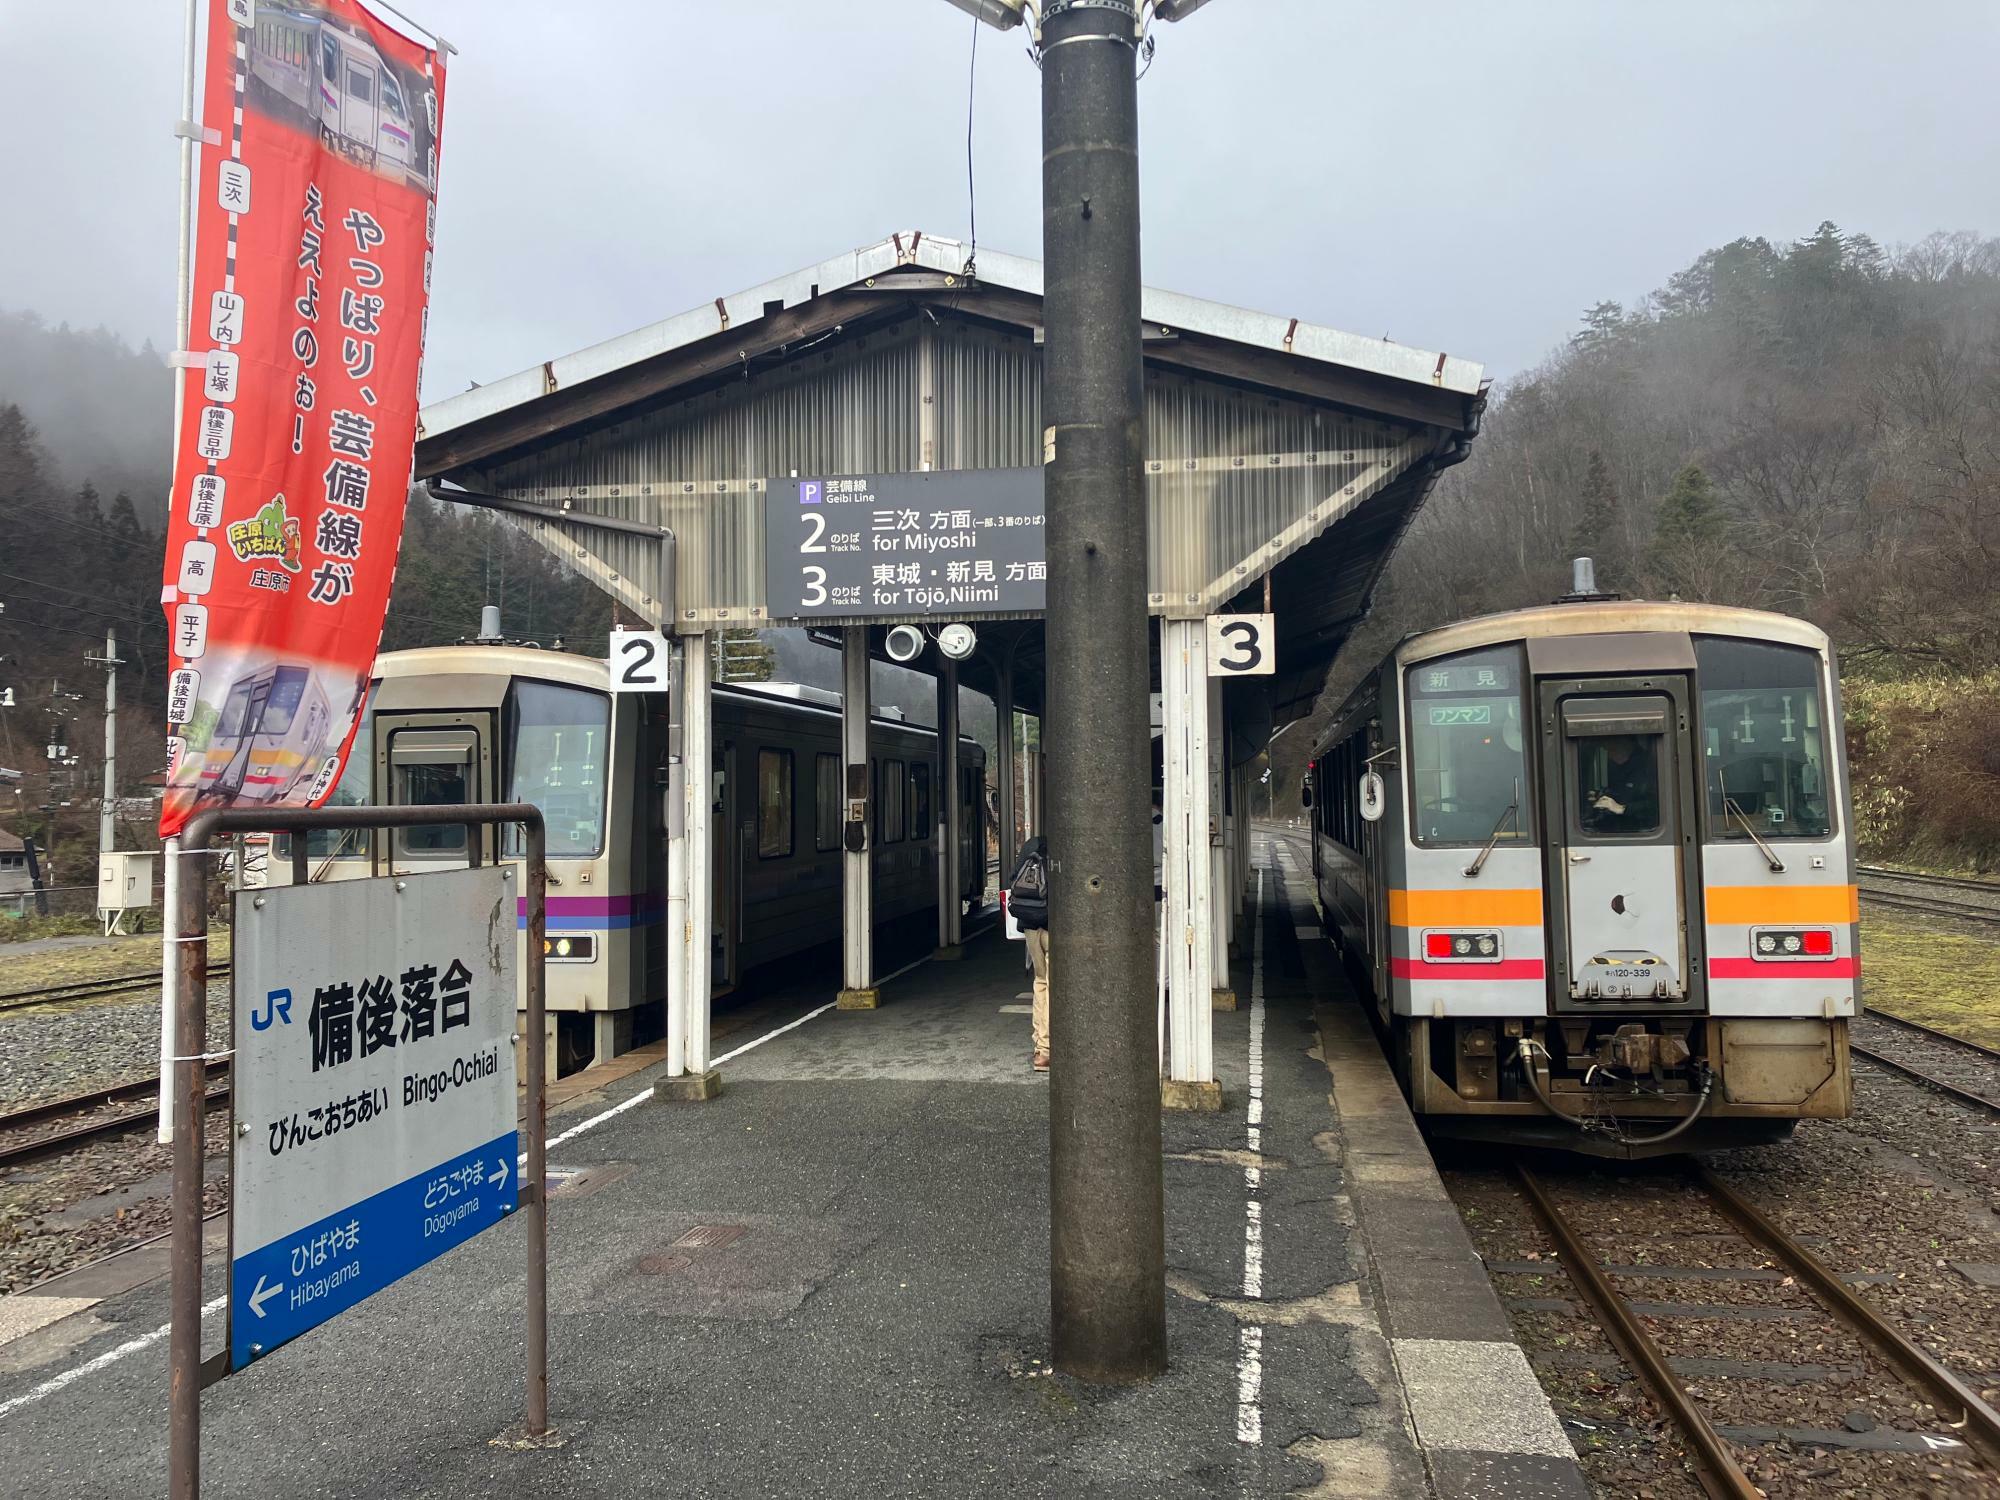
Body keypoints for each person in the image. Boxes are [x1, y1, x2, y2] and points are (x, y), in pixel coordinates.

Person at [1007, 835, 1051, 1071]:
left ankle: (1041, 1048)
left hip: (1031, 926)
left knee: (1041, 982)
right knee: (1056, 986)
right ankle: (1049, 1049)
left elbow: (1014, 880)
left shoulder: (1030, 846)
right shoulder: (1070, 847)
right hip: (1056, 926)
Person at [1587, 734, 1659, 834]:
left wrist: (1622, 809)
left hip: (1641, 832)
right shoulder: (1617, 768)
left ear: (1624, 744)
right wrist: (1602, 797)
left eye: (1612, 750)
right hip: (1616, 829)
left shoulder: (1649, 766)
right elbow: (1622, 793)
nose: (1610, 756)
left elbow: (1656, 805)